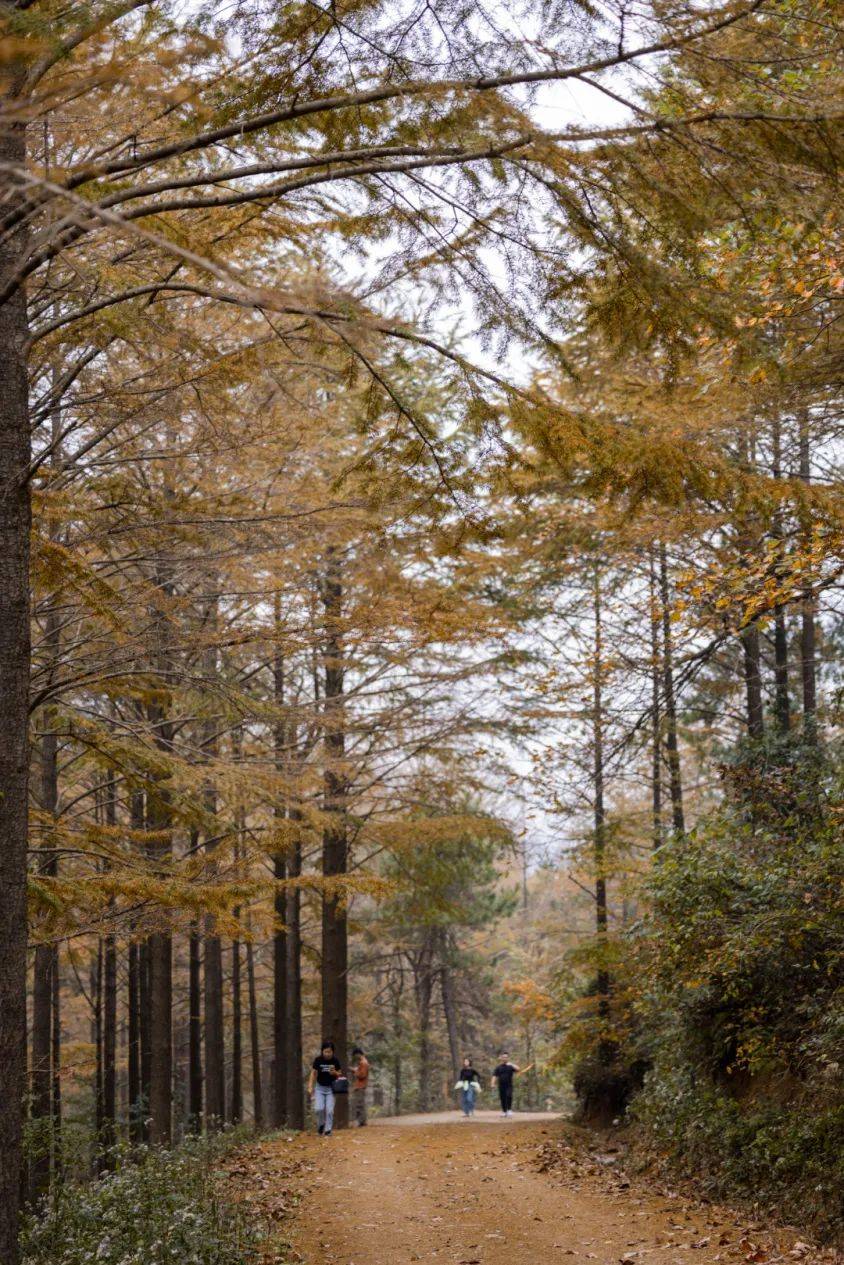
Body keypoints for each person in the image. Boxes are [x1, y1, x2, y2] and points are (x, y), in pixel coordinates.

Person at [307, 1039, 342, 1135]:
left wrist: (334, 1072)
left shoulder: (335, 1060)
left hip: (331, 1089)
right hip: (319, 1088)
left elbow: (340, 1074)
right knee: (319, 1109)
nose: (327, 1054)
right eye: (325, 1051)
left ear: (333, 1052)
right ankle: (321, 1125)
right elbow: (313, 1073)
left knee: (330, 1110)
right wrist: (310, 1085)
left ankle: (328, 1130)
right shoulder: (318, 1060)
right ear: (322, 1051)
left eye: (329, 1052)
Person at [491, 1052, 532, 1117]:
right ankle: (504, 1111)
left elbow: (518, 1069)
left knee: (509, 1096)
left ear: (508, 1058)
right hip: (501, 1085)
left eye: (506, 1057)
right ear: (501, 1058)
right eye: (503, 1057)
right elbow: (494, 1076)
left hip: (509, 1085)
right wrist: (492, 1083)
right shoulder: (498, 1067)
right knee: (502, 1098)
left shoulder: (510, 1066)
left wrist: (511, 1064)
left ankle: (509, 1110)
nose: (505, 1058)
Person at [350, 1046, 370, 1127]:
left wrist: (355, 1072)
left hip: (360, 1086)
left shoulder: (363, 1062)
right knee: (360, 1103)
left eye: (355, 1055)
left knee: (359, 1104)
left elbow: (362, 1075)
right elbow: (360, 1071)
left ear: (358, 1054)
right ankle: (362, 1121)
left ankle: (362, 1122)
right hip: (359, 1085)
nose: (355, 1057)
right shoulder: (362, 1062)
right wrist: (355, 1070)